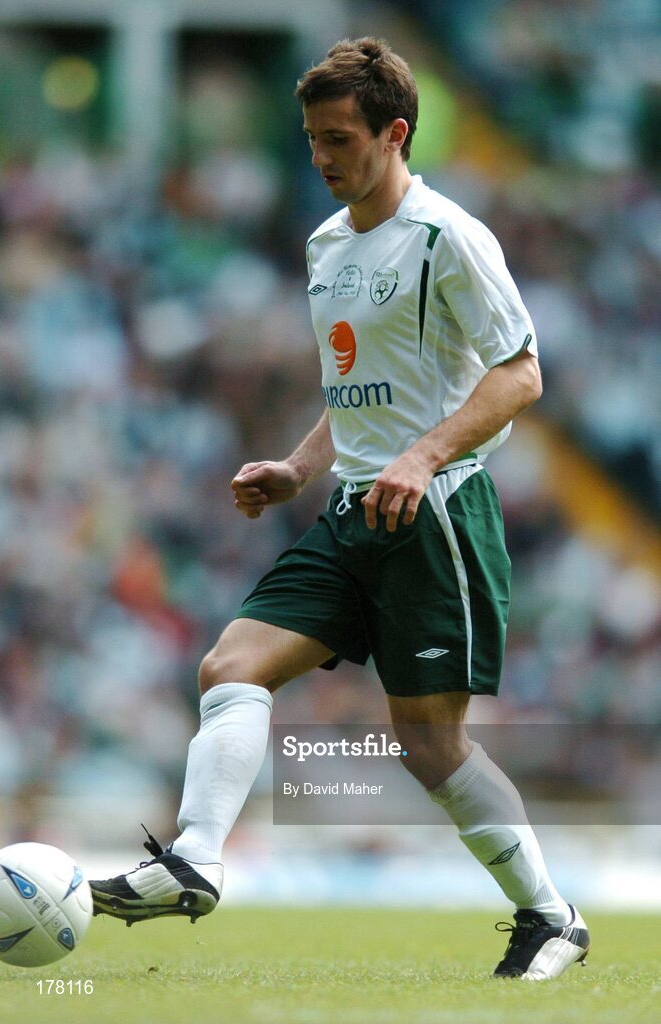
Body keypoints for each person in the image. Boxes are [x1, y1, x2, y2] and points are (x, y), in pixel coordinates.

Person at [90, 37, 589, 980]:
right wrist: (297, 465)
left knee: (428, 746)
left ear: (395, 134)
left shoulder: (450, 238)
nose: (320, 158)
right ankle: (196, 861)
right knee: (230, 665)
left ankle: (551, 916)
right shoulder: (326, 244)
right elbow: (357, 386)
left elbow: (520, 373)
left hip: (435, 513)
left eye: (339, 139)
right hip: (356, 509)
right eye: (313, 139)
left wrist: (424, 454)